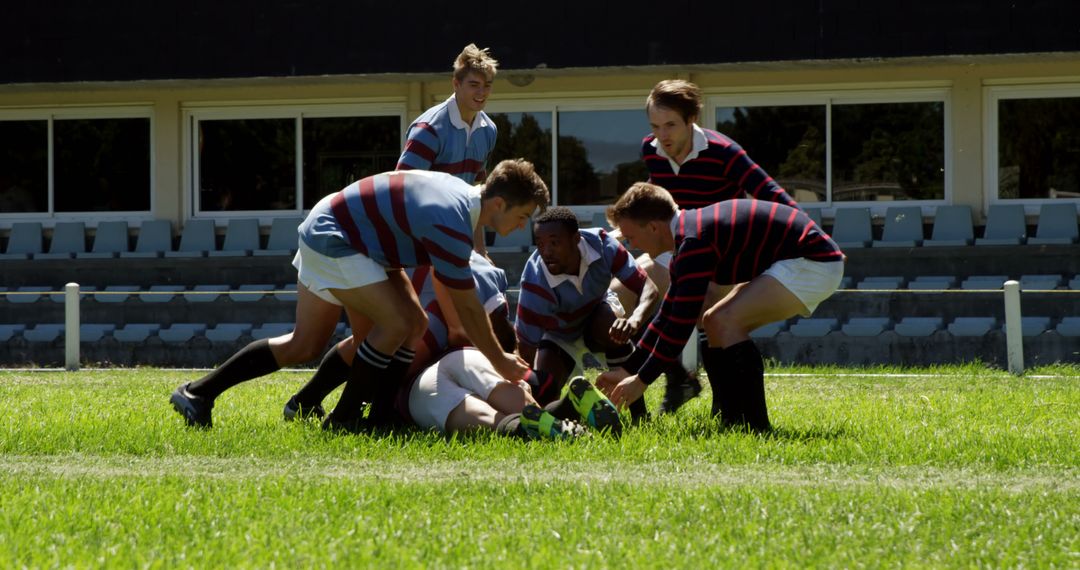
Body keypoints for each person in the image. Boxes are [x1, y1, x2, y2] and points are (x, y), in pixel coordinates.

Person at [169, 159, 548, 432]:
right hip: (336, 235)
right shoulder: (452, 220)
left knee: (314, 342)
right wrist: (499, 361)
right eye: (522, 216)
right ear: (499, 203)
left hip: (350, 233)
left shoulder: (463, 205)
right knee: (397, 323)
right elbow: (467, 308)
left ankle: (198, 393)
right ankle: (345, 420)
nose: (520, 227)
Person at [612, 78, 804, 415]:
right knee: (622, 289)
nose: (663, 135)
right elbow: (657, 204)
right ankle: (646, 398)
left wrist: (807, 236)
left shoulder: (724, 153)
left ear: (691, 120)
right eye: (655, 126)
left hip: (721, 256)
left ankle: (725, 405)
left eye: (670, 124)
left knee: (705, 305)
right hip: (679, 247)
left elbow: (773, 196)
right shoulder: (650, 150)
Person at [597, 183, 844, 432]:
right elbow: (666, 316)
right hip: (799, 260)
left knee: (725, 320)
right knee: (713, 320)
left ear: (653, 227)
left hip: (814, 263)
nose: (633, 245)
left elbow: (679, 327)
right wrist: (627, 369)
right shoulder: (687, 237)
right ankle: (731, 419)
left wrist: (641, 381)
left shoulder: (693, 242)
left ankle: (756, 426)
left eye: (631, 238)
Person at [515, 207, 659, 410]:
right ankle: (576, 409)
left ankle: (639, 414)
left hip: (597, 316)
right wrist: (529, 392)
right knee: (544, 390)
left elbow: (648, 288)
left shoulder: (602, 244)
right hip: (559, 335)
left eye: (554, 243)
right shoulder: (534, 282)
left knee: (610, 325)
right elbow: (526, 348)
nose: (546, 252)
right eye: (540, 244)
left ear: (576, 239)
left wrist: (634, 320)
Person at [396, 43, 499, 255]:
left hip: (458, 239)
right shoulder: (429, 129)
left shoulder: (489, 131)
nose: (482, 92)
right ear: (456, 84)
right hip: (418, 243)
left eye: (487, 85)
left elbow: (476, 194)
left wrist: (481, 251)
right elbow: (400, 192)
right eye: (474, 85)